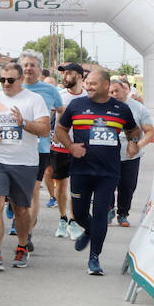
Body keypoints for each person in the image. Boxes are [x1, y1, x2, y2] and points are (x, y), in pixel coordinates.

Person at [55, 68, 140, 275]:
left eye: (93, 83)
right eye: (87, 83)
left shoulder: (121, 109)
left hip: (108, 172)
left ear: (105, 86)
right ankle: (90, 230)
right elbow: (60, 129)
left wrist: (133, 142)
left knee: (101, 214)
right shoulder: (77, 105)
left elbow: (133, 130)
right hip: (81, 170)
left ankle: (94, 258)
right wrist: (71, 147)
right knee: (81, 213)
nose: (88, 86)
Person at [0, 63, 50, 270]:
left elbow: (44, 130)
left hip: (24, 162)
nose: (6, 84)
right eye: (2, 80)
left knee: (21, 208)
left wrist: (23, 123)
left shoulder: (34, 100)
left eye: (10, 80)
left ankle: (22, 246)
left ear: (20, 80)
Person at [20, 53, 66, 237]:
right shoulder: (10, 87)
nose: (29, 68)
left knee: (32, 191)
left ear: (40, 69)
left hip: (40, 148)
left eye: (33, 65)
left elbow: (61, 110)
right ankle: (18, 214)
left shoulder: (49, 90)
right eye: (25, 65)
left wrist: (56, 131)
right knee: (17, 194)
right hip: (13, 148)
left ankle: (27, 233)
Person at [48, 61, 88, 228]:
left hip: (81, 147)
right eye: (63, 73)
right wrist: (52, 134)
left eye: (68, 73)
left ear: (79, 76)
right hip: (60, 148)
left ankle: (74, 219)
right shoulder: (60, 95)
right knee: (62, 185)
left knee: (78, 185)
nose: (64, 76)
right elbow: (48, 116)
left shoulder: (88, 97)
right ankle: (63, 217)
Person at [111, 76, 154, 227]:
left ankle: (123, 213)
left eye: (117, 90)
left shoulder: (138, 108)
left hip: (130, 155)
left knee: (127, 186)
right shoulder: (103, 106)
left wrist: (139, 145)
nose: (115, 94)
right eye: (111, 92)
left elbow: (149, 131)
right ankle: (108, 209)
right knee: (107, 183)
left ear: (125, 90)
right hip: (108, 153)